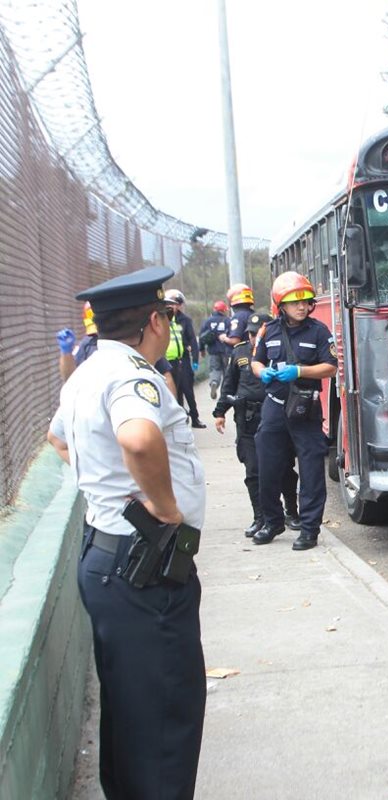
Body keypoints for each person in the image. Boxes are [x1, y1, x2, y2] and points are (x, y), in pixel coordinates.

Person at [46, 266, 206, 799]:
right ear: (156, 321)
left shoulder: (86, 373)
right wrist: (165, 509)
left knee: (133, 708)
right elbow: (138, 439)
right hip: (145, 568)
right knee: (165, 715)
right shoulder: (130, 374)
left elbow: (57, 438)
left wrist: (103, 489)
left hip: (107, 557)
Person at [251, 272, 336, 550]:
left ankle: (309, 530)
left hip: (305, 409)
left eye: (306, 302)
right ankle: (272, 521)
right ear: (281, 305)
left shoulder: (319, 331)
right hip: (274, 409)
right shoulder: (268, 331)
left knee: (311, 472)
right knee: (268, 469)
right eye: (294, 302)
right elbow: (256, 361)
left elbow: (331, 367)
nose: (302, 307)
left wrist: (299, 370)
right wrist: (262, 372)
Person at [213, 311, 301, 537]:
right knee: (253, 471)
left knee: (283, 469)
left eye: (257, 333)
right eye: (251, 334)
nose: (253, 338)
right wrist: (220, 411)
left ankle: (291, 511)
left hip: (275, 416)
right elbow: (229, 384)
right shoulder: (239, 352)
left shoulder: (277, 348)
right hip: (248, 419)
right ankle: (260, 518)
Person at [58, 301, 179, 396]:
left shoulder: (133, 342)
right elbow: (70, 378)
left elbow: (165, 375)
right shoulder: (86, 345)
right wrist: (66, 353)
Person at [164, 289, 205, 428]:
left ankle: (195, 418)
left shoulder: (185, 320)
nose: (174, 307)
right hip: (167, 361)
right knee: (174, 391)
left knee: (188, 389)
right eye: (171, 304)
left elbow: (192, 340)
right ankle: (179, 419)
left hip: (183, 359)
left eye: (177, 304)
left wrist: (194, 359)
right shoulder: (162, 319)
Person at [199, 299, 231, 400]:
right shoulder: (227, 320)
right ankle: (225, 393)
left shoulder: (208, 321)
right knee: (227, 372)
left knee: (215, 370)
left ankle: (214, 382)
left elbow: (201, 336)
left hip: (213, 351)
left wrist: (202, 349)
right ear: (224, 310)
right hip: (225, 350)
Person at [220, 283, 257, 348]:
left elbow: (235, 340)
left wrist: (224, 338)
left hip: (242, 355)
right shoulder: (254, 314)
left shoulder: (238, 317)